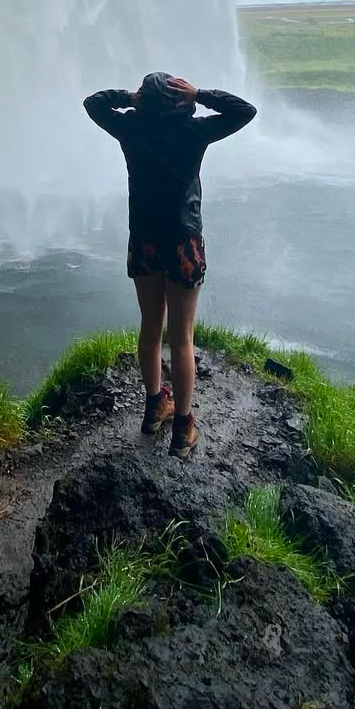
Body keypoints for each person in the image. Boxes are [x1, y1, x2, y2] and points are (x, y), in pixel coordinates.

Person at [83, 73, 257, 458]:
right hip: (183, 241)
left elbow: (93, 103)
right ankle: (181, 428)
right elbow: (245, 111)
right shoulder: (193, 132)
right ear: (178, 101)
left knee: (150, 327)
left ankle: (152, 409)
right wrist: (200, 94)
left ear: (143, 102)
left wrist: (129, 97)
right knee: (181, 338)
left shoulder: (130, 128)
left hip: (144, 240)